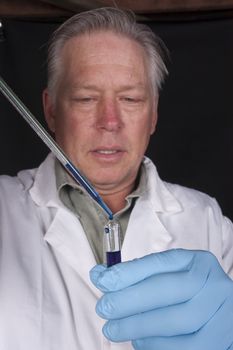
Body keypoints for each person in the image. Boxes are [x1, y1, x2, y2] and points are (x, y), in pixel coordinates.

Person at [0, 7, 233, 350]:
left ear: (153, 114)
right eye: (86, 98)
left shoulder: (207, 221)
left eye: (130, 99)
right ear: (51, 110)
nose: (110, 121)